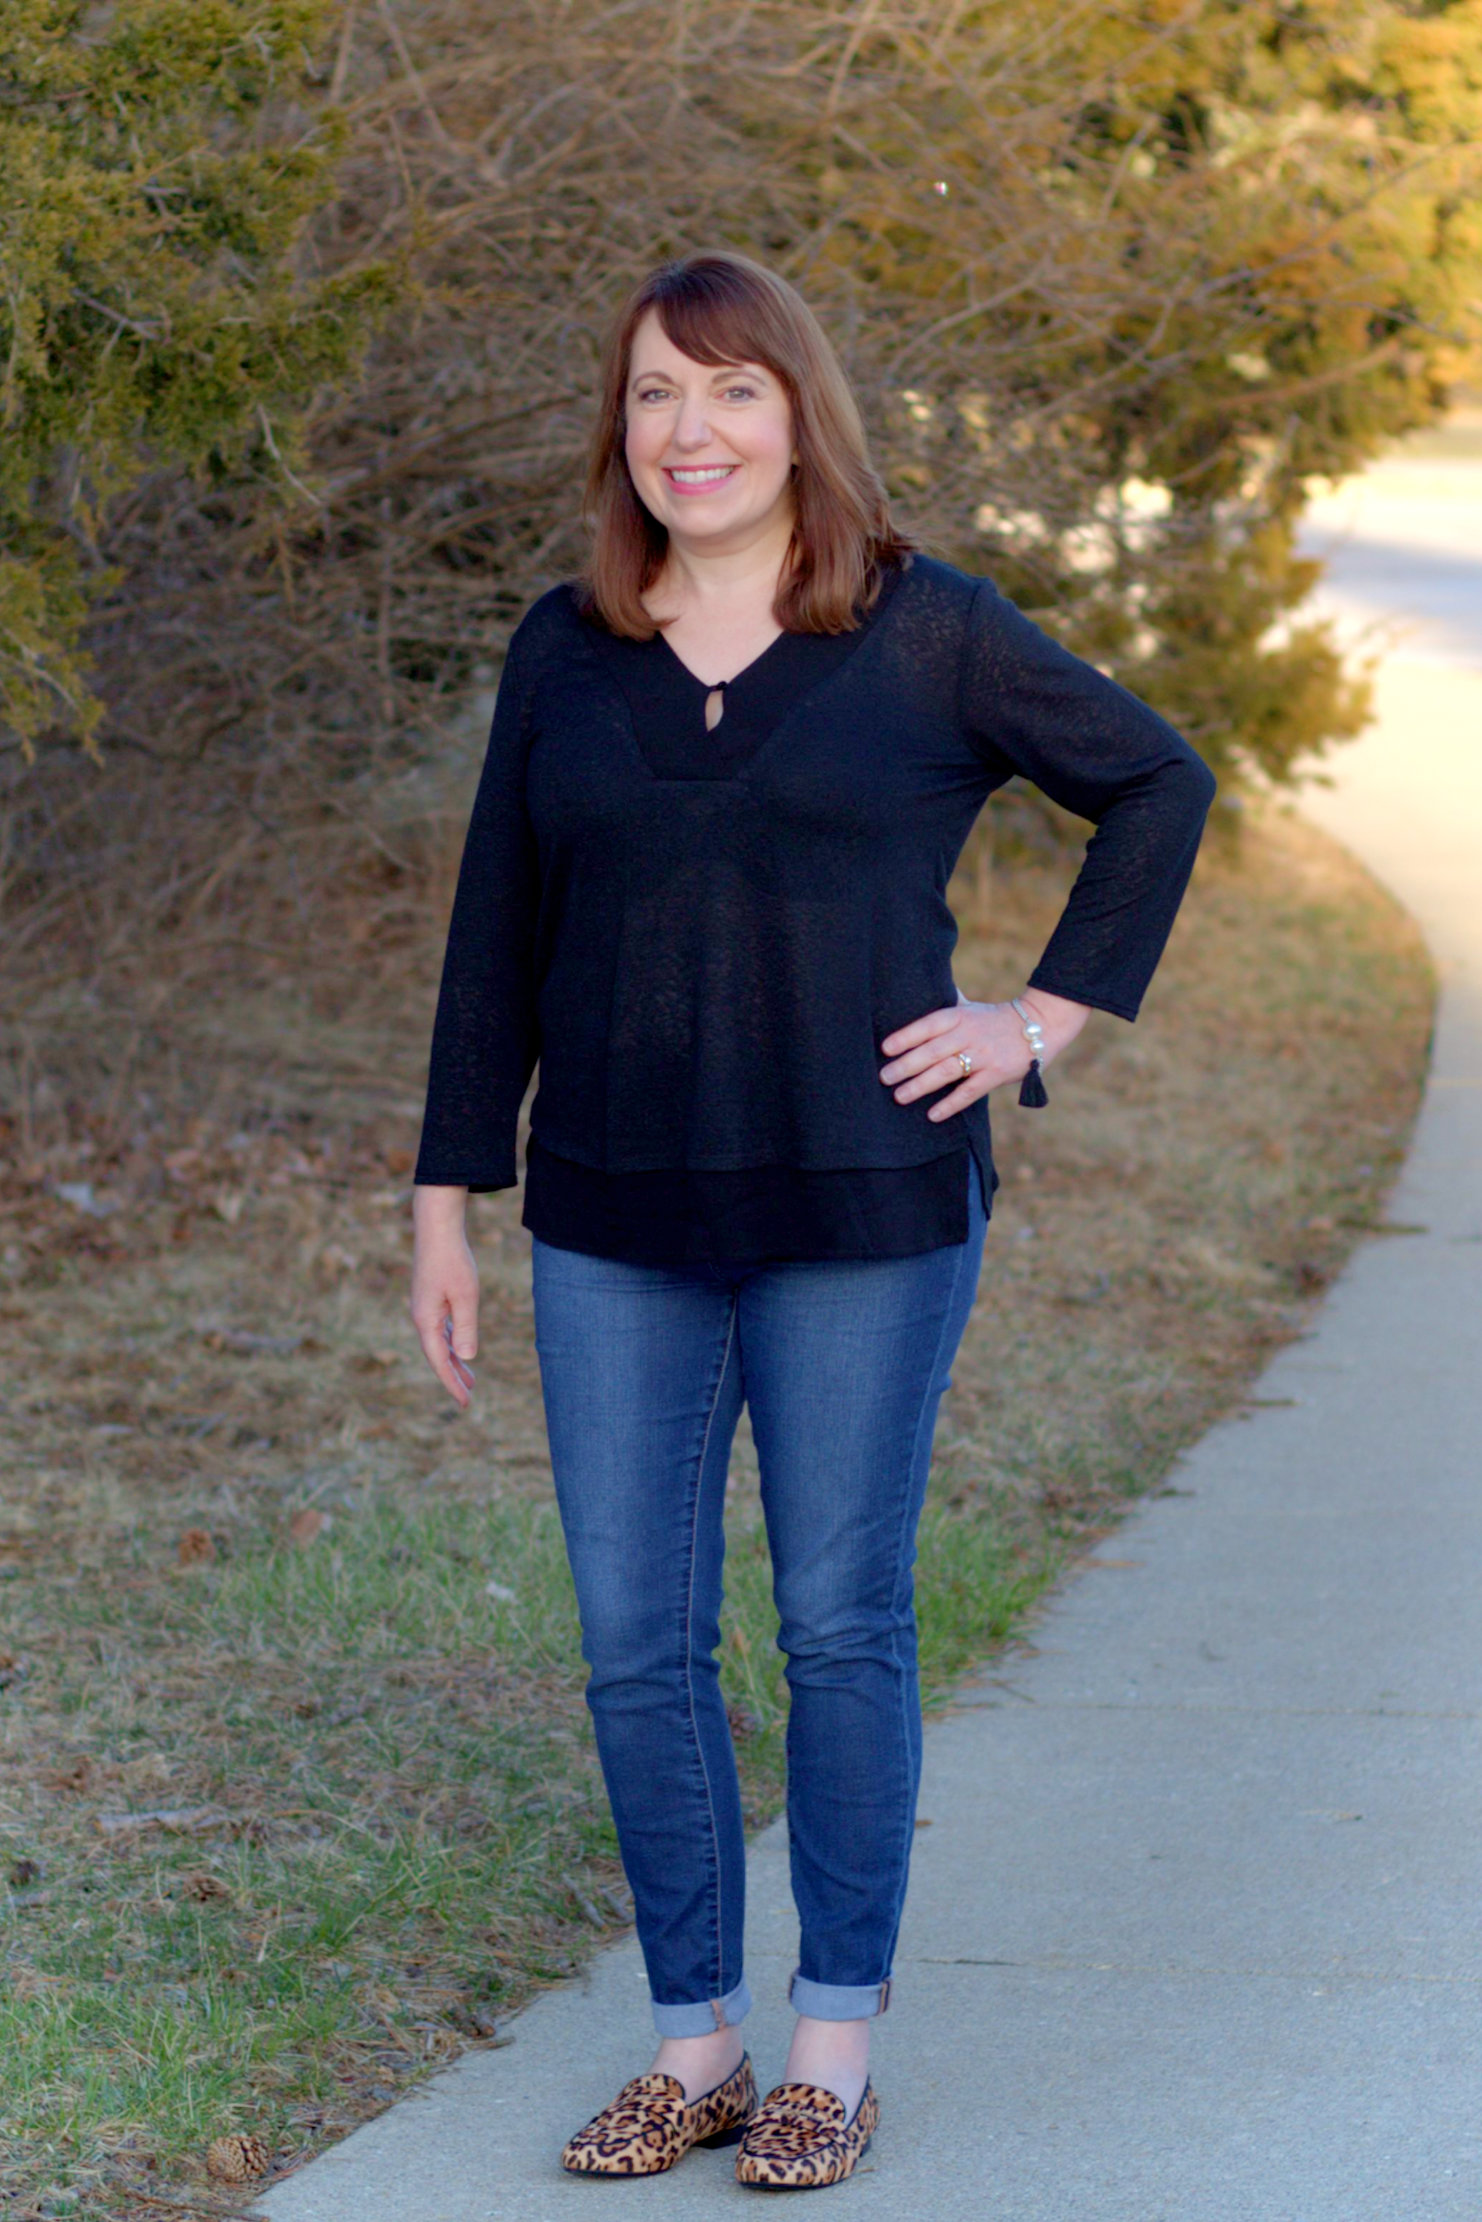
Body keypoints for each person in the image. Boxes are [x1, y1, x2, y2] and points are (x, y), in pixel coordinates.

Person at [410, 250, 1215, 2191]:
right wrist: (448, 1196)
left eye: (732, 392)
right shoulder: (565, 647)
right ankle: (694, 2039)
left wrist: (1039, 1018)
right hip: (611, 1213)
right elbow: (494, 940)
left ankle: (828, 2049)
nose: (690, 431)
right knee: (632, 1635)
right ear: (621, 434)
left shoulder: (927, 633)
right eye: (654, 397)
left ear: (803, 416)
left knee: (843, 1620)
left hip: (863, 1208)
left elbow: (1156, 780)